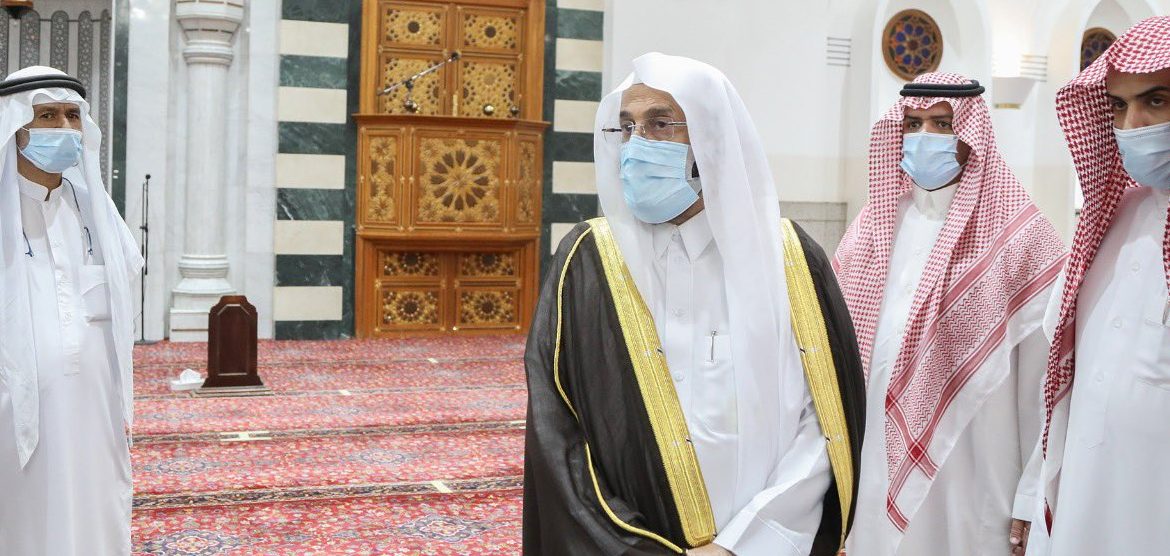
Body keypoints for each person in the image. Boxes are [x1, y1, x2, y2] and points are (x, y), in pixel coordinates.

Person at [522, 52, 865, 556]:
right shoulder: (587, 260)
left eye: (660, 124)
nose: (637, 144)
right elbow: (558, 428)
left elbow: (824, 424)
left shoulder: (789, 259)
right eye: (626, 127)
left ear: (712, 138)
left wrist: (744, 544)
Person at [834, 73, 1066, 555]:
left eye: (942, 124)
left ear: (971, 134)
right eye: (913, 124)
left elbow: (1042, 389)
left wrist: (1031, 493)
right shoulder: (872, 227)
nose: (925, 137)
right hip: (872, 463)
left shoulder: (1022, 240)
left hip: (975, 471)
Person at [1033, 16, 1170, 555]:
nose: (1132, 125)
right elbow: (1065, 379)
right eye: (1117, 105)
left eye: (1156, 100)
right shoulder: (1111, 220)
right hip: (1084, 499)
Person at [0, 66, 142, 555]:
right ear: (16, 126)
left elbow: (125, 275)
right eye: (47, 116)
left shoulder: (95, 211)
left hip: (93, 406)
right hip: (13, 408)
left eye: (72, 115)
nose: (63, 127)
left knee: (93, 510)